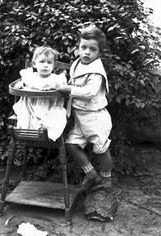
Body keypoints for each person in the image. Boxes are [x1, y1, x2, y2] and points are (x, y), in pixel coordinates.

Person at [56, 26, 112, 191]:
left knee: (102, 149)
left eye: (92, 49)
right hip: (81, 117)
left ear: (99, 53)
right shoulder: (77, 64)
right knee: (71, 144)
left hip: (95, 117)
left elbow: (90, 91)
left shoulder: (96, 71)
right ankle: (92, 174)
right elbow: (73, 81)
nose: (87, 52)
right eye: (84, 47)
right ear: (77, 48)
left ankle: (106, 180)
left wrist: (68, 89)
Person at [13, 46, 67, 141]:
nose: (45, 65)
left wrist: (56, 87)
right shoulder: (30, 77)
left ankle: (45, 129)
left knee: (57, 115)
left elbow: (63, 87)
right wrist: (21, 84)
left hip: (50, 106)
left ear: (53, 66)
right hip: (31, 106)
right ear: (34, 64)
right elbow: (20, 85)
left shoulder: (56, 79)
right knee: (25, 114)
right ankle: (30, 128)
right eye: (42, 62)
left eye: (49, 62)